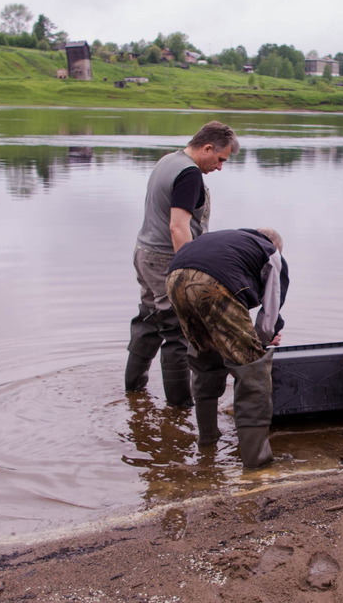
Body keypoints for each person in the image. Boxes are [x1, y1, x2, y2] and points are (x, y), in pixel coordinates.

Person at [124, 121, 239, 408]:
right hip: (165, 259)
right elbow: (178, 227)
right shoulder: (189, 174)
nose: (220, 167)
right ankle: (179, 406)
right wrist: (185, 273)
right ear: (207, 147)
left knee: (149, 320)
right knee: (176, 331)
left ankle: (133, 388)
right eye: (220, 159)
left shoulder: (168, 160)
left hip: (144, 252)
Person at [165, 227, 289, 468]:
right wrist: (263, 341)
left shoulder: (226, 239)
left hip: (174, 278)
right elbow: (270, 314)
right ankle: (257, 463)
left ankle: (207, 441)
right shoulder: (271, 252)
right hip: (213, 284)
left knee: (205, 359)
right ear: (276, 246)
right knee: (253, 371)